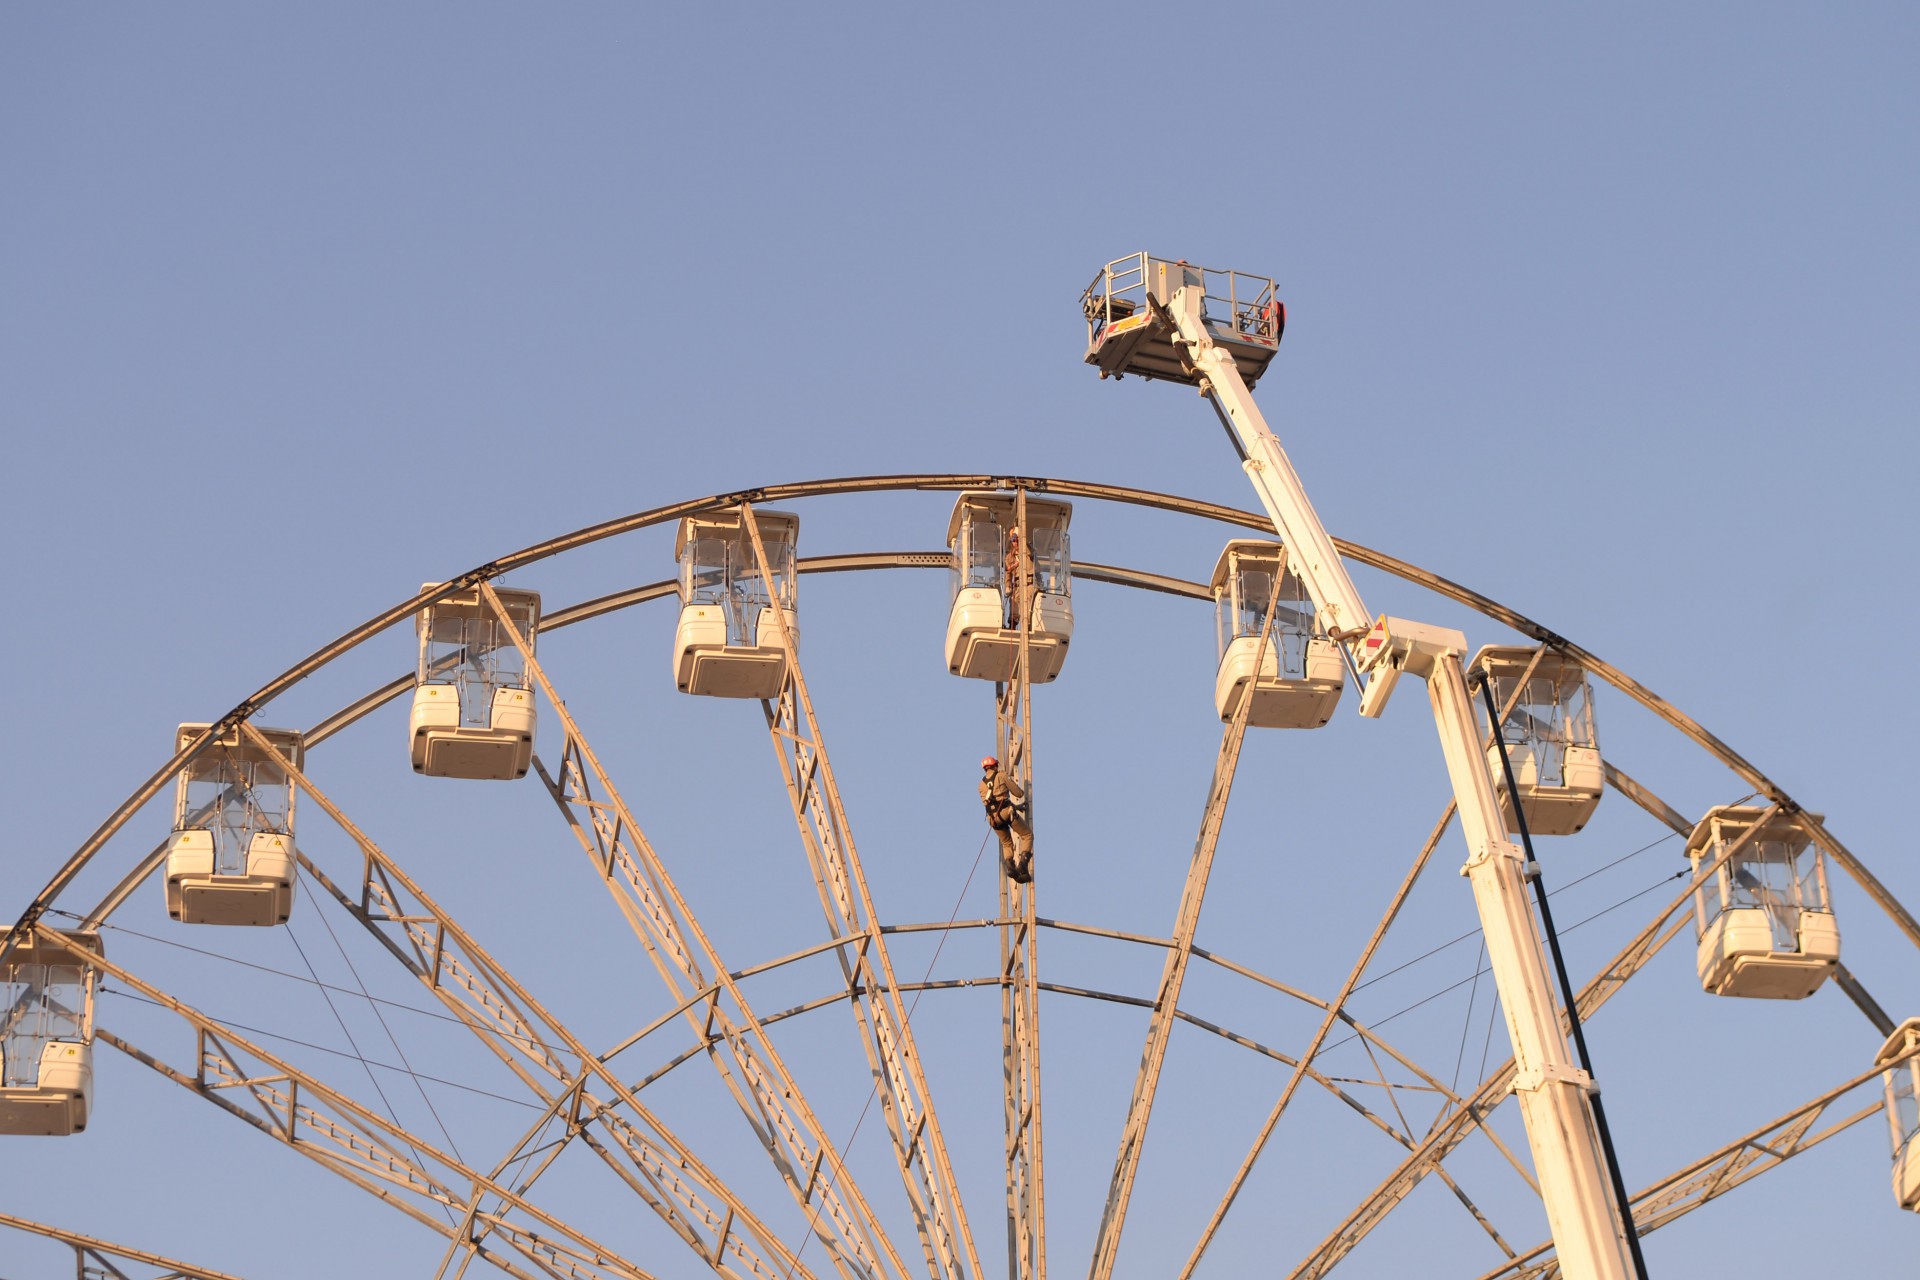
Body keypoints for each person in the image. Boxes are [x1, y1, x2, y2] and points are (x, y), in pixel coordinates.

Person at [979, 754, 1033, 882]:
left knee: (1006, 842)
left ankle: (1010, 866)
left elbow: (993, 803)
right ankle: (1023, 865)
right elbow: (1018, 793)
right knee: (1027, 835)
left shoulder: (981, 785)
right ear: (995, 765)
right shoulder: (1001, 776)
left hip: (993, 819)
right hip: (1006, 813)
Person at [1003, 527, 1033, 631]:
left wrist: (1021, 537)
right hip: (1017, 584)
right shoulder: (1010, 557)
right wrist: (1008, 585)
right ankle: (1013, 625)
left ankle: (1028, 626)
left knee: (1028, 605)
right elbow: (1008, 572)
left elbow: (1030, 552)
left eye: (1016, 539)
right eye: (1013, 539)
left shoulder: (1028, 551)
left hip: (1029, 583)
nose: (1015, 542)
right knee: (1014, 603)